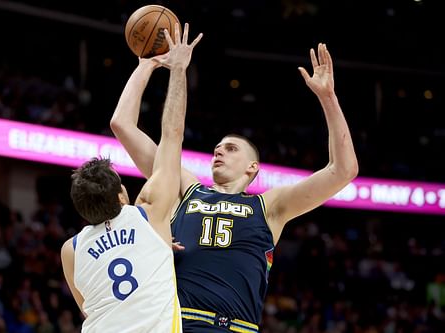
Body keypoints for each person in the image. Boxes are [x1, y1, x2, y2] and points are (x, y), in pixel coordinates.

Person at [110, 43, 358, 332]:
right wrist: (145, 65)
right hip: (178, 323)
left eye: (229, 149)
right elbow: (122, 124)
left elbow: (344, 170)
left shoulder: (269, 206)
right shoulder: (185, 188)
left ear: (252, 167)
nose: (218, 152)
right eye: (217, 148)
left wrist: (328, 98)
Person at [61, 23, 203, 333]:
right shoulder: (150, 213)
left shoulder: (70, 249)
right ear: (122, 196)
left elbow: (90, 309)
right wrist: (174, 68)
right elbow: (172, 133)